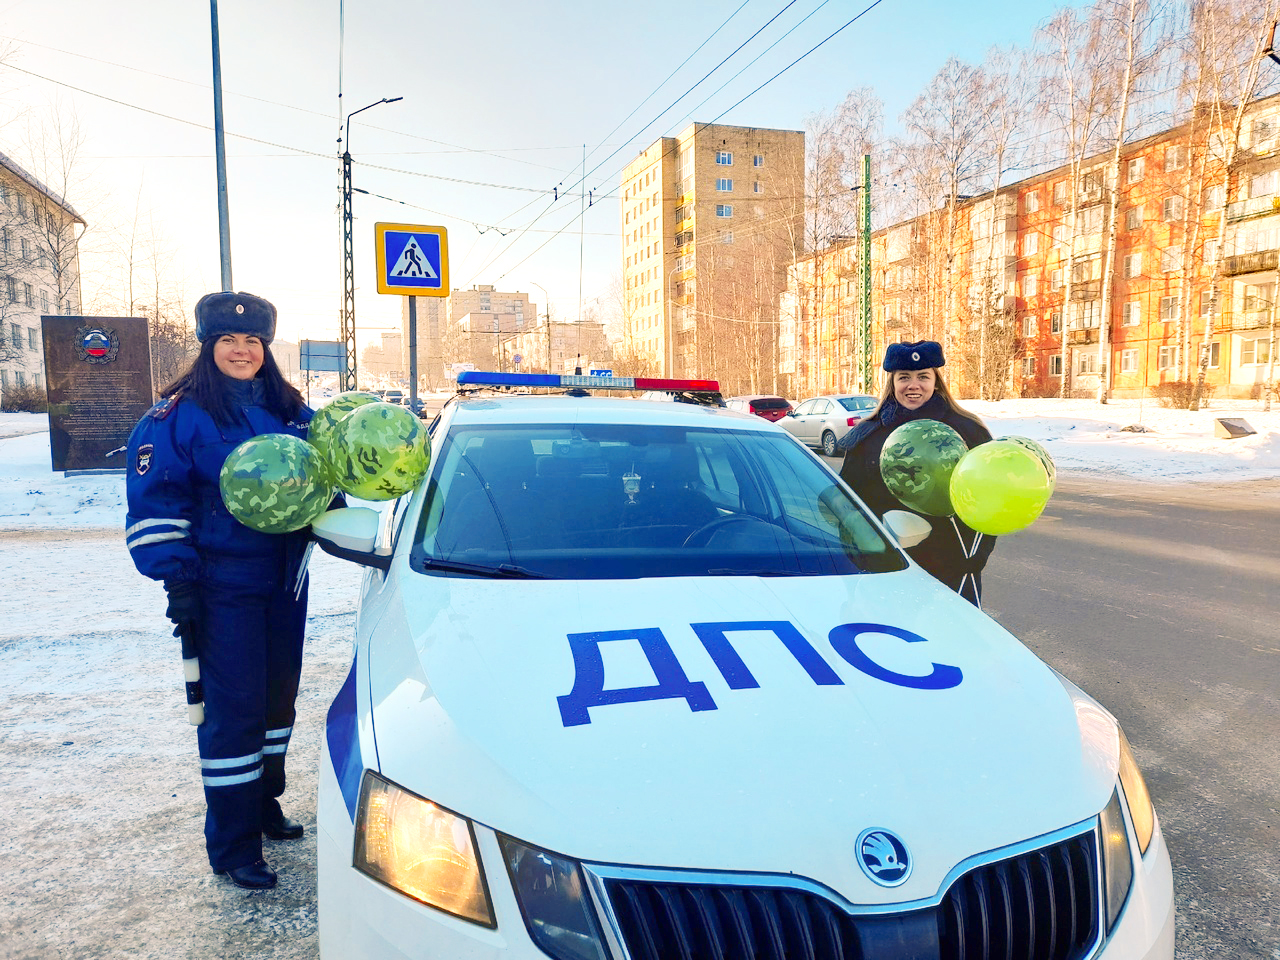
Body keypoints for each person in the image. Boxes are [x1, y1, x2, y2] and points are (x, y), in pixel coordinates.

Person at [124, 291, 315, 890]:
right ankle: (233, 844)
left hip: (286, 580)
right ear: (208, 347)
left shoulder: (293, 412)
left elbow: (322, 479)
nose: (241, 349)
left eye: (252, 341)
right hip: (222, 585)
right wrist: (176, 578)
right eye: (228, 340)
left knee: (276, 704)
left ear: (266, 349)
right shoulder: (176, 416)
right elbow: (157, 503)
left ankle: (264, 806)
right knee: (232, 711)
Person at [837, 340, 996, 606]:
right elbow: (847, 504)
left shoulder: (968, 431)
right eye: (904, 377)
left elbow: (989, 500)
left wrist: (972, 559)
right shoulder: (868, 435)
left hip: (950, 572)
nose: (914, 385)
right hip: (887, 570)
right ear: (892, 382)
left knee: (951, 644)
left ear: (936, 381)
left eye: (923, 376)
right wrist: (864, 554)